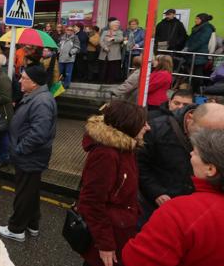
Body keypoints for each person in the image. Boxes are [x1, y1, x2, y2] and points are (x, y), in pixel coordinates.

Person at [123, 128, 224, 266]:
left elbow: (137, 260)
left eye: (196, 152)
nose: (190, 153)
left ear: (211, 170)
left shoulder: (181, 212)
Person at [77, 100, 150, 266]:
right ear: (128, 125)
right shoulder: (106, 155)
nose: (148, 127)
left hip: (121, 231)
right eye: (143, 123)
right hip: (108, 238)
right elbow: (91, 202)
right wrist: (105, 244)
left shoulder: (125, 148)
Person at [138, 103, 224, 225]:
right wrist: (156, 192)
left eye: (218, 133)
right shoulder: (156, 129)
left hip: (198, 208)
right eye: (206, 131)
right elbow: (139, 164)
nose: (210, 138)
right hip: (157, 205)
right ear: (190, 118)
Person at [0, 65, 56, 242]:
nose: (20, 81)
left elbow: (39, 133)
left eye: (24, 78)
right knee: (31, 190)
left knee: (24, 192)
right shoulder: (36, 97)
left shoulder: (42, 101)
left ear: (35, 83)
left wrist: (20, 149)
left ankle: (16, 228)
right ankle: (32, 223)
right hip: (30, 155)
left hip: (30, 155)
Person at [185, 13, 215, 92]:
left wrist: (189, 49)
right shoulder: (197, 27)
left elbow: (201, 41)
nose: (195, 20)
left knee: (197, 74)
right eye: (196, 18)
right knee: (193, 73)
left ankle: (197, 90)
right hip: (193, 53)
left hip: (199, 54)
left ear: (203, 20)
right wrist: (186, 47)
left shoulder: (207, 28)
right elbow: (191, 39)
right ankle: (193, 90)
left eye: (197, 19)